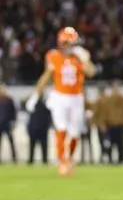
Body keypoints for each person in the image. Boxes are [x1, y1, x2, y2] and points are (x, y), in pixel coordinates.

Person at [29, 27, 96, 176]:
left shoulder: (80, 56)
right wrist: (36, 94)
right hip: (59, 96)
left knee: (74, 133)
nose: (71, 46)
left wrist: (85, 60)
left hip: (76, 97)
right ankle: (62, 161)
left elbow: (92, 72)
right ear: (62, 42)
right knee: (61, 128)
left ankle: (69, 158)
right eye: (69, 42)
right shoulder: (53, 56)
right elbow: (47, 76)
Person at [0, 86, 17, 163]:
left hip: (7, 124)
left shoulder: (9, 100)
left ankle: (14, 157)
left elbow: (13, 112)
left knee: (11, 141)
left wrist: (13, 121)